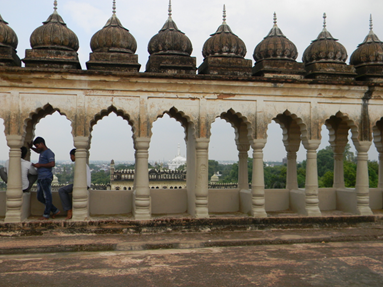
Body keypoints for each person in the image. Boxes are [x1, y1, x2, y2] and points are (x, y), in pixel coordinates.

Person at [30, 137, 60, 220]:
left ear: (41, 144)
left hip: (46, 177)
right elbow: (37, 151)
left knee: (47, 197)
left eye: (37, 146)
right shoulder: (42, 152)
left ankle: (46, 215)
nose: (37, 148)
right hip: (41, 177)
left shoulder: (49, 153)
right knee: (39, 197)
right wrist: (31, 147)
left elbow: (52, 164)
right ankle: (55, 210)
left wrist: (40, 165)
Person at [59, 149, 91, 220]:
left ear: (74, 155)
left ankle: (69, 210)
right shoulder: (83, 164)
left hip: (82, 185)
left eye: (71, 156)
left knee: (62, 190)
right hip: (84, 184)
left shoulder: (80, 164)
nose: (71, 158)